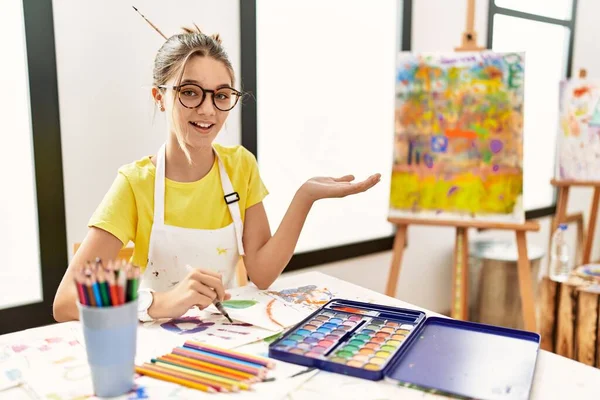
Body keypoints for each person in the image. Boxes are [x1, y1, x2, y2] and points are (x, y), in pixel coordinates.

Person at [53, 25, 380, 323]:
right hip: (157, 345)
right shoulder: (134, 184)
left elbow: (262, 275)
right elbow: (66, 303)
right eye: (190, 92)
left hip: (225, 337)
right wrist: (160, 302)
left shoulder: (240, 166)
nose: (208, 110)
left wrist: (305, 197)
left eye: (221, 95)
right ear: (160, 97)